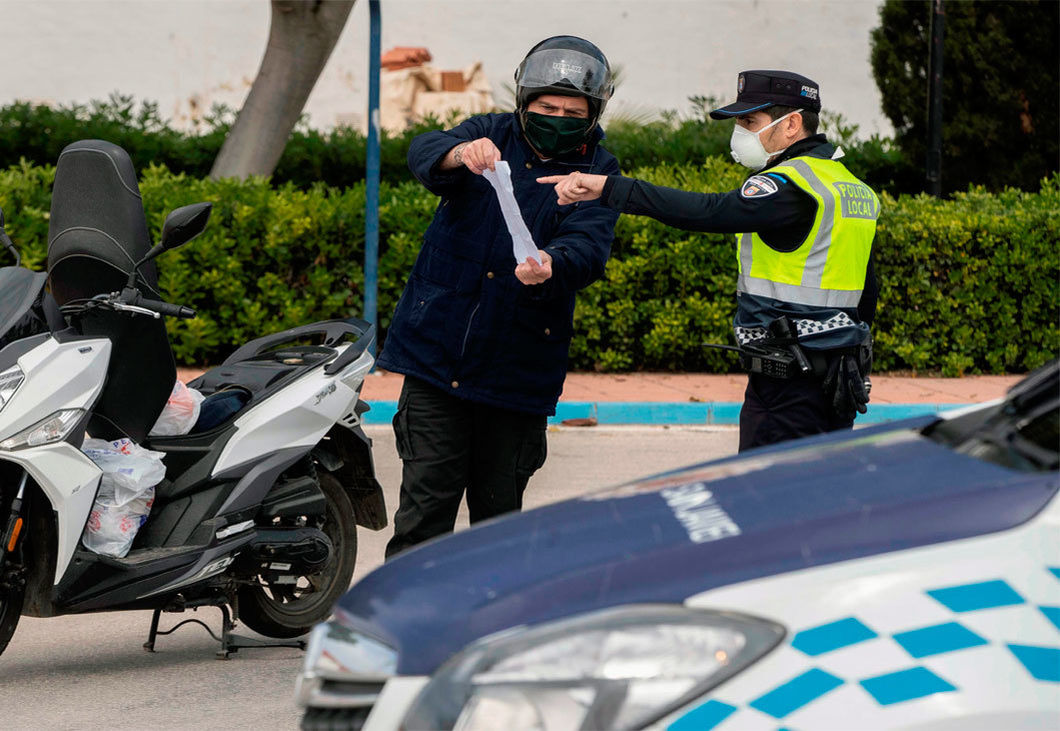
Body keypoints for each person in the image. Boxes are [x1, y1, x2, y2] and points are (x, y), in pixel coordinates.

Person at [539, 70, 880, 452]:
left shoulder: (789, 184)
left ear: (792, 125)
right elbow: (867, 286)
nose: (741, 132)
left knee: (765, 499)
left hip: (789, 384)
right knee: (819, 498)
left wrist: (610, 187)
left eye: (750, 121)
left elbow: (710, 212)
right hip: (837, 377)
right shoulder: (849, 186)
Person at [377, 36, 621, 558]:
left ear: (593, 113)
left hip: (518, 371)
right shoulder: (490, 132)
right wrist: (457, 153)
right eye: (546, 107)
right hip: (438, 360)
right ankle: (407, 632)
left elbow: (589, 245)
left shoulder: (599, 170)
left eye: (571, 111)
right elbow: (423, 152)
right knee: (423, 519)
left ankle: (490, 632)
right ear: (524, 101)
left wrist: (555, 264)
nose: (557, 117)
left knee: (497, 529)